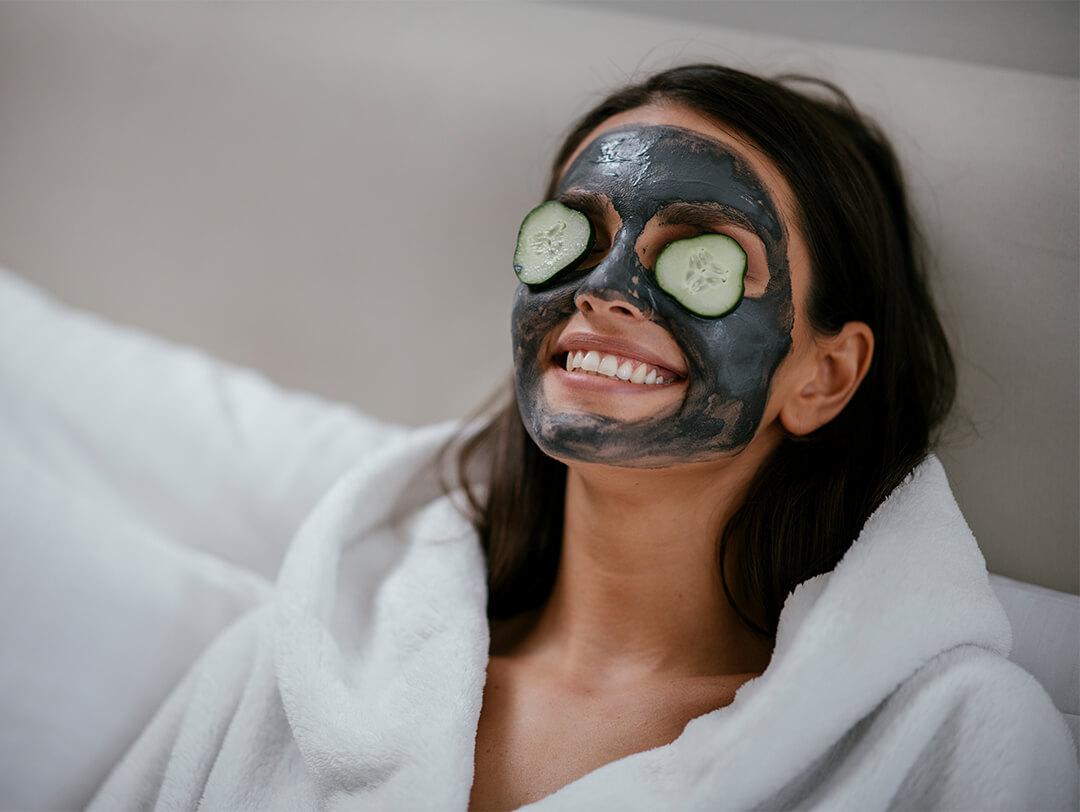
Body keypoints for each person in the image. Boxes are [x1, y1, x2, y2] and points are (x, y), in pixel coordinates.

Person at [1, 64, 1076, 810]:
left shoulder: (945, 745)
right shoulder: (299, 667)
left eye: (696, 253)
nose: (602, 291)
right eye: (578, 235)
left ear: (824, 375)